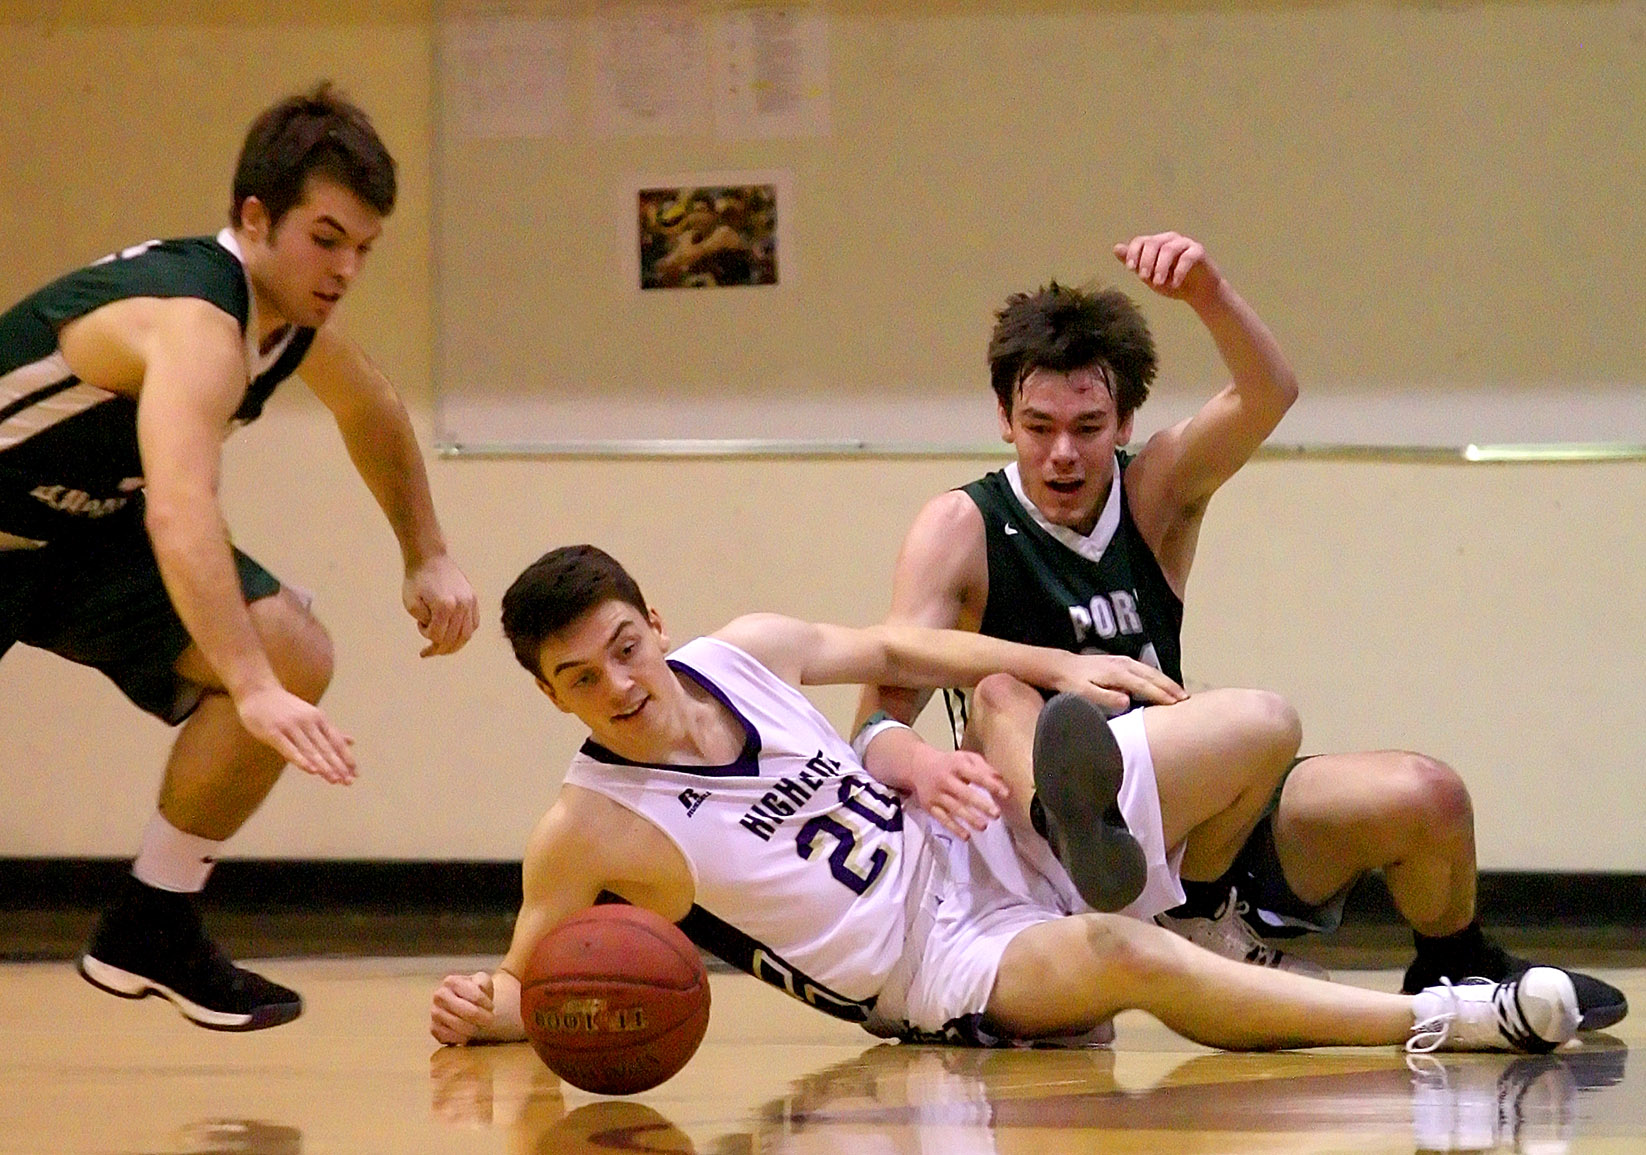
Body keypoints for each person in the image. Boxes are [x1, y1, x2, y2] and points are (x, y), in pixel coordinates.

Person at [852, 230, 1625, 1029]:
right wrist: (923, 768)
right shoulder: (960, 524)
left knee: (1424, 795)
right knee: (1009, 696)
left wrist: (1208, 293)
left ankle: (1448, 963)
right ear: (1004, 420)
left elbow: (1268, 394)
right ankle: (1082, 838)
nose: (1062, 454)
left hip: (1186, 812)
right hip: (1030, 849)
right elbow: (875, 721)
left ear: (1123, 424)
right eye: (1038, 425)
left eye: (1087, 426)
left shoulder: (1152, 489)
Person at [429, 543, 1580, 1057]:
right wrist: (493, 1010)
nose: (618, 685)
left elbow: (892, 642)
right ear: (549, 694)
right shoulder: (584, 826)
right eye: (580, 678)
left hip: (978, 836)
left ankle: (1154, 889)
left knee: (1257, 721)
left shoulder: (744, 653)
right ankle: (1446, 1020)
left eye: (624, 648)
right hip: (935, 966)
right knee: (1123, 960)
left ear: (656, 624)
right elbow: (538, 983)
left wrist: (1053, 664)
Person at [0, 83, 479, 1030]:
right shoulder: (196, 324)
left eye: (363, 249)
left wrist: (427, 553)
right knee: (265, 671)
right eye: (326, 236)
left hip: (75, 540)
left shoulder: (288, 322)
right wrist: (248, 684)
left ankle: (153, 921)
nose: (345, 268)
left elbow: (373, 408)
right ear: (255, 219)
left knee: (293, 648)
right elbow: (183, 513)